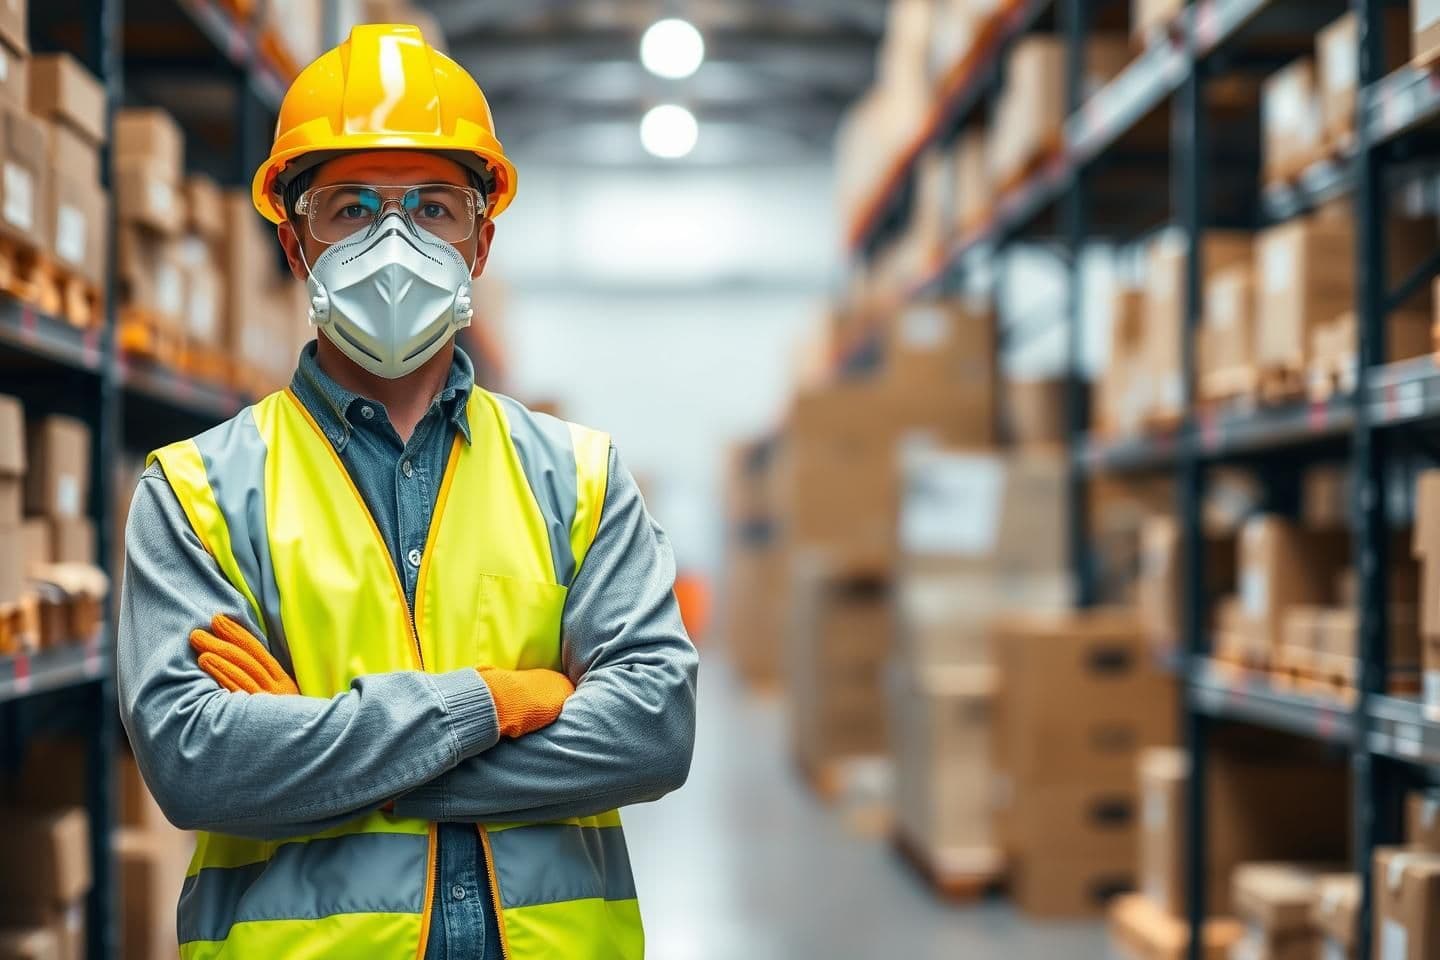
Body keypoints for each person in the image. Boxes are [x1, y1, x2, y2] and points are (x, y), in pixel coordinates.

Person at [116, 23, 698, 960]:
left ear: (482, 242)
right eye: (350, 208)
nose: (394, 240)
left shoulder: (582, 477)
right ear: (297, 244)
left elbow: (653, 731)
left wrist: (328, 747)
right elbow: (200, 766)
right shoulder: (196, 491)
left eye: (434, 207)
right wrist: (492, 703)